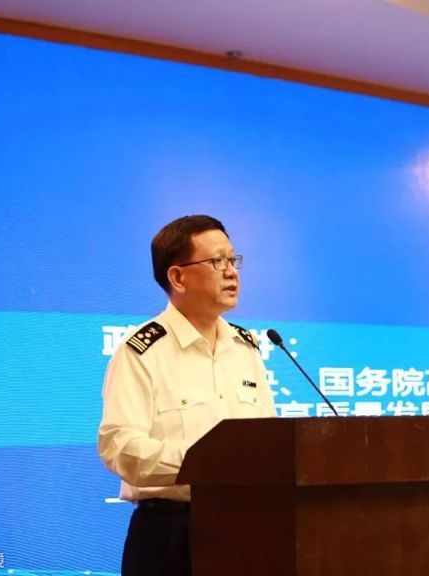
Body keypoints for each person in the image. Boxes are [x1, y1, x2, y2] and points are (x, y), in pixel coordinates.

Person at [98, 214, 277, 576]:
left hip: (246, 528)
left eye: (233, 260)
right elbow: (119, 447)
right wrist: (206, 461)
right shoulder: (142, 351)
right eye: (217, 261)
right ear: (178, 277)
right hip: (170, 534)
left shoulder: (246, 348)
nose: (231, 272)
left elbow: (269, 439)